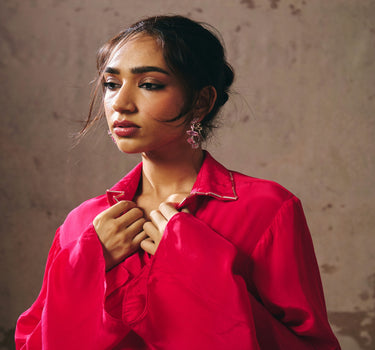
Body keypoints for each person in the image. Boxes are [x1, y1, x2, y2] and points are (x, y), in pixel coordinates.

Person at [15, 15, 341, 350]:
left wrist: (201, 272)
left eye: (149, 85)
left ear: (201, 101)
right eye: (112, 84)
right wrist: (84, 264)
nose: (121, 104)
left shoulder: (267, 208)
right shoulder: (83, 224)